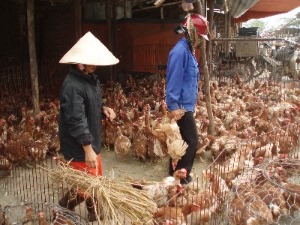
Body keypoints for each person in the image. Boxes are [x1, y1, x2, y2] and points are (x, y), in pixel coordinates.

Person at [57, 31, 118, 221]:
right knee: (85, 186)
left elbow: (89, 106)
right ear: (80, 63)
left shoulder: (89, 79)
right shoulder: (72, 85)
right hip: (79, 145)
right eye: (91, 61)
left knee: (93, 181)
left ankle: (93, 213)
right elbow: (76, 119)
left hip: (91, 140)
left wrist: (103, 109)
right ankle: (63, 207)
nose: (95, 64)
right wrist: (87, 149)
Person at [165, 13, 209, 184]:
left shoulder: (189, 51)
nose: (201, 40)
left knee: (181, 142)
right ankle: (182, 178)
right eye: (200, 36)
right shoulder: (179, 52)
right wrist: (174, 105)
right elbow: (174, 79)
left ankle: (173, 176)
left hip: (187, 105)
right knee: (191, 141)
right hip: (181, 107)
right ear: (192, 33)